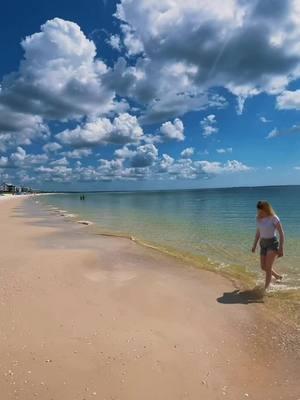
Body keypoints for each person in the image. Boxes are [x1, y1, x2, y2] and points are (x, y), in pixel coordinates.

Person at [252, 201, 285, 290]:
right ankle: (277, 276)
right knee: (263, 267)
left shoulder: (274, 218)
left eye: (261, 210)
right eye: (258, 210)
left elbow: (281, 233)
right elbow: (258, 232)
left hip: (272, 243)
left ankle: (265, 289)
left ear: (266, 209)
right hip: (263, 244)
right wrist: (254, 245)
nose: (260, 212)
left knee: (268, 267)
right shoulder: (258, 218)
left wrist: (281, 248)